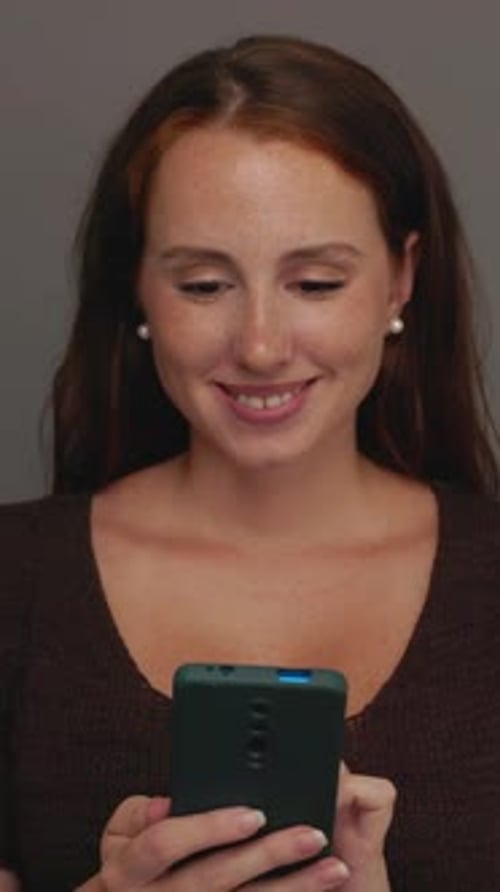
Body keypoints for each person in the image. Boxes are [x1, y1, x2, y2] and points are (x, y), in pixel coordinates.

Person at [1, 33, 499, 892]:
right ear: (138, 290)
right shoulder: (15, 582)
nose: (262, 346)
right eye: (203, 285)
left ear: (401, 279)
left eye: (315, 283)